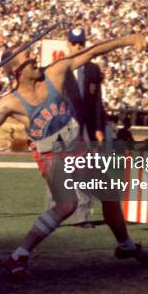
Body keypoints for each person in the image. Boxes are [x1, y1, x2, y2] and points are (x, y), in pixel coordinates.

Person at [0, 33, 148, 279]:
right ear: (16, 71)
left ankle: (125, 245)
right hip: (51, 154)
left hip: (77, 146)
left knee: (109, 193)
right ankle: (18, 256)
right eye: (27, 58)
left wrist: (129, 40)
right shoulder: (10, 103)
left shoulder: (55, 72)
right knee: (67, 205)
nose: (34, 58)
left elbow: (91, 52)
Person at [45, 27, 106, 228]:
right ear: (68, 44)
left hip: (85, 126)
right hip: (62, 126)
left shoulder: (93, 69)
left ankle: (81, 216)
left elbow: (97, 100)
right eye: (74, 43)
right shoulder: (59, 67)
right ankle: (53, 211)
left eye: (81, 43)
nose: (78, 47)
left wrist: (98, 127)